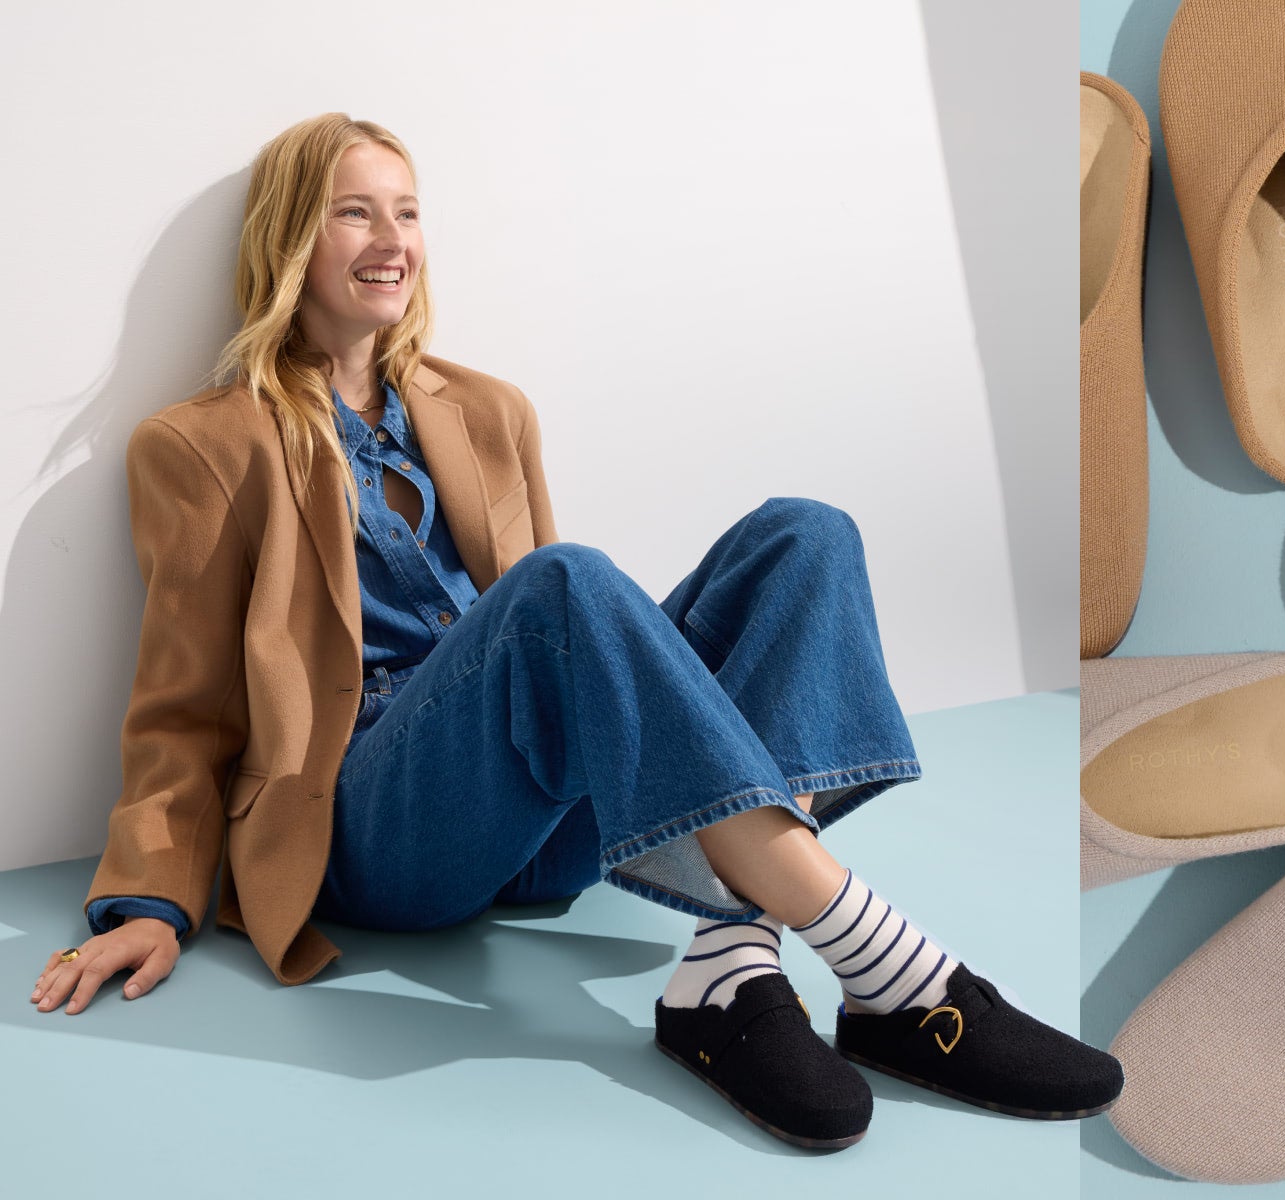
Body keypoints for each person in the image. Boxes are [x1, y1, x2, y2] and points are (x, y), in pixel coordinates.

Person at [24, 112, 1118, 1149]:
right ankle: (903, 978)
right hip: (375, 824)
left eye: (407, 211)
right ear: (290, 239)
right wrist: (152, 900)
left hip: (540, 830)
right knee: (566, 584)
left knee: (804, 538)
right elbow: (185, 701)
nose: (393, 239)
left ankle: (726, 975)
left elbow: (567, 645)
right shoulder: (204, 445)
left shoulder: (488, 410)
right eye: (355, 213)